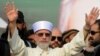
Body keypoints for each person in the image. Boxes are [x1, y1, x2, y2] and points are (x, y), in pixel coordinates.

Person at [5, 3, 99, 56]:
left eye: (47, 34)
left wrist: (87, 27)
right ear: (35, 37)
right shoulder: (27, 52)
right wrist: (12, 23)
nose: (44, 37)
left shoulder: (59, 52)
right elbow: (16, 46)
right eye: (40, 34)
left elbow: (75, 46)